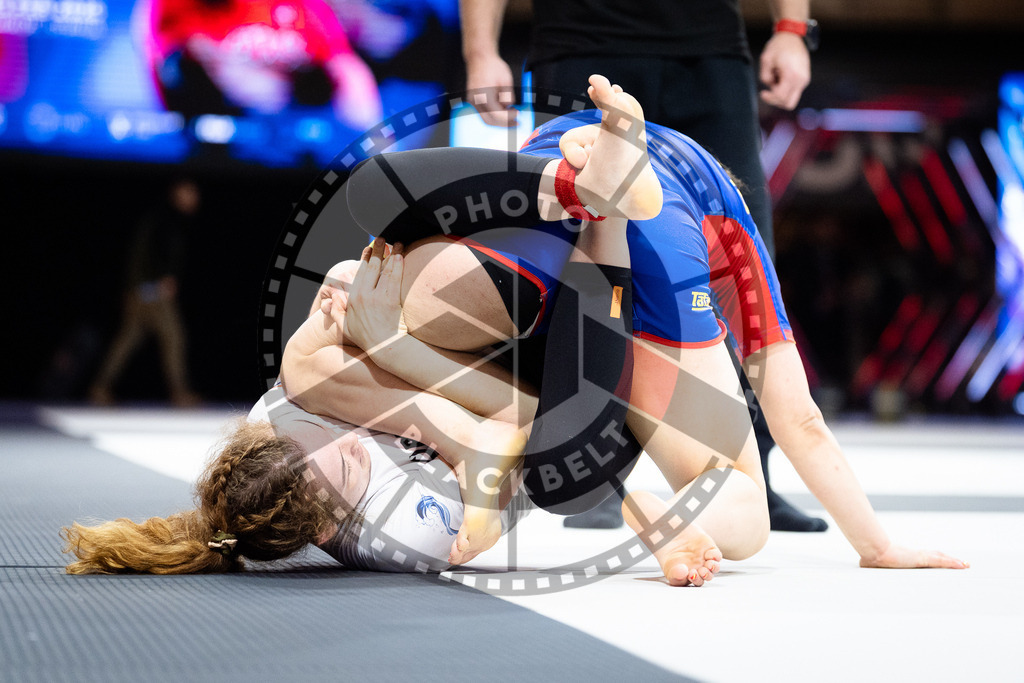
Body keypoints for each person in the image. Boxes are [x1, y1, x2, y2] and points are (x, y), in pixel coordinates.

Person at [65, 77, 966, 584]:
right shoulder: (377, 507)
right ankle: (589, 203)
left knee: (384, 295)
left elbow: (503, 407)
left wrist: (395, 359)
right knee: (719, 496)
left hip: (545, 237)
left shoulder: (306, 387)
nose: (349, 456)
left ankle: (588, 203)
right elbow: (510, 416)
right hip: (541, 252)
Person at [461, 0, 822, 532]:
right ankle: (599, 466)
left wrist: (792, 29)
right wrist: (480, 52)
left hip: (708, 48)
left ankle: (753, 474)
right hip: (579, 42)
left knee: (738, 258)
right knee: (579, 253)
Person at [89, 178, 202, 407]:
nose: (194, 199)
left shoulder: (164, 218)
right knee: (174, 338)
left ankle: (100, 387)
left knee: (128, 340)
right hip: (151, 291)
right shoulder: (166, 219)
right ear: (177, 192)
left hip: (139, 290)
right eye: (189, 193)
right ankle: (179, 393)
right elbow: (150, 253)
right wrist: (161, 279)